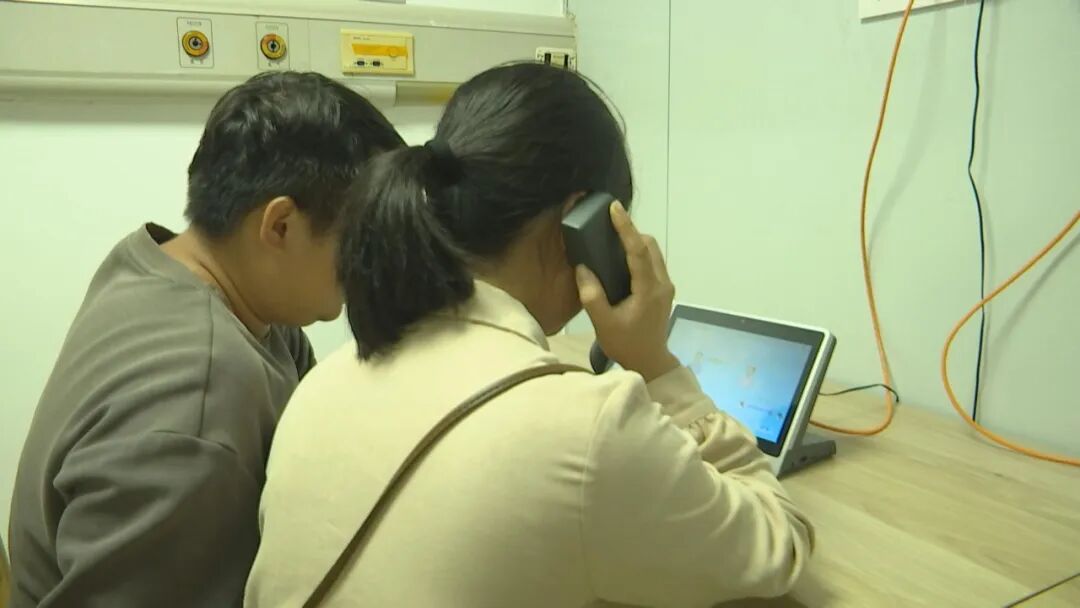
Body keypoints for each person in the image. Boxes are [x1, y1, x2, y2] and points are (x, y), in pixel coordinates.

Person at [245, 63, 814, 607]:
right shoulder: (586, 428)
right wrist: (656, 364)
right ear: (582, 221)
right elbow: (777, 544)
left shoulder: (325, 383)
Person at [7, 71, 404, 607]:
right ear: (280, 226)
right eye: (361, 238)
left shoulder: (164, 268)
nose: (370, 262)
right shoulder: (199, 401)